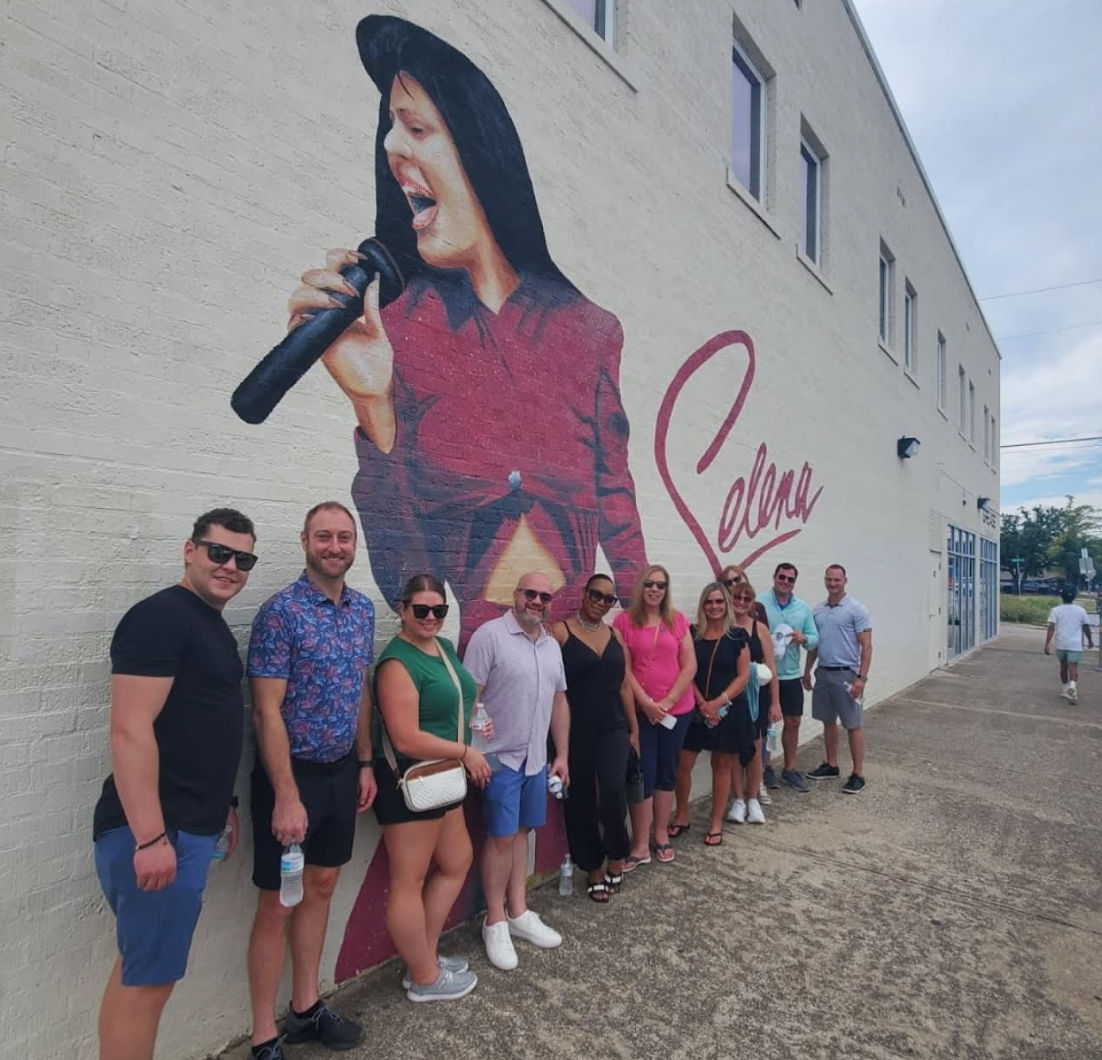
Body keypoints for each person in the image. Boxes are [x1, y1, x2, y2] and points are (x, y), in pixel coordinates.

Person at [280, 15, 646, 650]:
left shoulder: (589, 330)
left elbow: (615, 493)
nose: (395, 147)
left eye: (417, 126)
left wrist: (645, 625)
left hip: (568, 649)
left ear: (478, 147)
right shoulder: (396, 331)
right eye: (389, 128)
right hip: (463, 652)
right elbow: (403, 573)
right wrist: (374, 405)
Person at [92, 507, 257, 1060]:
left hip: (187, 827)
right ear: (190, 551)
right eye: (219, 552)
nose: (230, 565)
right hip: (157, 833)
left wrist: (223, 806)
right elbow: (129, 731)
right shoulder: (162, 617)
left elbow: (197, 727)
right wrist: (149, 837)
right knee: (148, 986)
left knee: (142, 971)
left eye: (243, 558)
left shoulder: (204, 623)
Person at [245, 503, 377, 1060]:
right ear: (304, 541)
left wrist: (366, 761)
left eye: (344, 537)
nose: (335, 546)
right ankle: (262, 1037)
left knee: (321, 888)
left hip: (341, 773)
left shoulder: (364, 610)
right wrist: (286, 796)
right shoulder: (281, 614)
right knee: (278, 902)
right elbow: (265, 712)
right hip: (290, 777)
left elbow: (359, 690)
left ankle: (304, 1010)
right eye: (324, 536)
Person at [373, 574, 490, 1001]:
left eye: (438, 610)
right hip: (413, 779)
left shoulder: (440, 647)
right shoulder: (397, 662)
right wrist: (465, 751)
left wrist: (474, 724)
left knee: (457, 860)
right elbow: (404, 737)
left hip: (443, 776)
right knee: (408, 880)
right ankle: (423, 978)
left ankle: (424, 955)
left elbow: (459, 697)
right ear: (402, 610)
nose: (430, 617)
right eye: (420, 609)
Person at [463, 572, 569, 970]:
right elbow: (468, 696)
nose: (537, 601)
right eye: (531, 593)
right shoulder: (490, 636)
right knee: (500, 839)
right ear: (516, 595)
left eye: (545, 596)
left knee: (523, 832)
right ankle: (494, 921)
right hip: (500, 759)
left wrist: (563, 754)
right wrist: (476, 750)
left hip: (537, 759)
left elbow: (560, 701)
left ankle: (518, 911)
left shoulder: (550, 645)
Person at [551, 574, 638, 902]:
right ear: (584, 594)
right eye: (596, 595)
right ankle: (594, 868)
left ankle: (617, 855)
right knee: (581, 800)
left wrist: (634, 729)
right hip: (575, 729)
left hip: (614, 726)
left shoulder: (615, 634)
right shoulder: (561, 632)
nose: (601, 602)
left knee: (614, 792)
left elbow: (625, 685)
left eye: (608, 599)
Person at [614, 565, 697, 867]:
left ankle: (660, 835)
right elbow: (623, 667)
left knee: (666, 772)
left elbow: (689, 666)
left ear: (666, 590)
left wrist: (667, 701)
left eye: (661, 585)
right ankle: (639, 844)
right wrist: (647, 704)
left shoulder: (677, 621)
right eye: (649, 584)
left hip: (677, 711)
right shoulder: (624, 621)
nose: (654, 590)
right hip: (640, 712)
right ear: (640, 586)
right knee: (642, 774)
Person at [671, 583, 751, 846]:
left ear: (726, 605)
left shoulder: (738, 636)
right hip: (695, 709)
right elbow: (685, 669)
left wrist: (718, 703)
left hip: (727, 709)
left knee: (722, 766)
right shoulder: (692, 634)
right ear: (703, 605)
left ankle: (716, 822)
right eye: (709, 602)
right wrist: (702, 703)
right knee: (682, 765)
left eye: (719, 602)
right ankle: (682, 815)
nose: (714, 607)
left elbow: (743, 676)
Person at [803, 565, 872, 794]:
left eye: (837, 580)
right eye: (829, 579)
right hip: (823, 673)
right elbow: (815, 645)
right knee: (828, 721)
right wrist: (807, 670)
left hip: (847, 675)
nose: (833, 583)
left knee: (853, 724)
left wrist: (861, 678)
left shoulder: (856, 609)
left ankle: (858, 773)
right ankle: (831, 765)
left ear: (845, 580)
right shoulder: (818, 610)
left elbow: (866, 646)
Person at [760, 563, 819, 792]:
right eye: (782, 577)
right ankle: (766, 768)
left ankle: (790, 769)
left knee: (793, 722)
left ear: (795, 582)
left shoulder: (803, 608)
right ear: (774, 577)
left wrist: (803, 638)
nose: (785, 582)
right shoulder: (760, 603)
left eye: (790, 579)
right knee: (766, 723)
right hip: (765, 675)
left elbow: (815, 639)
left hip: (791, 675)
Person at [726, 581, 781, 824]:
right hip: (732, 695)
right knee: (735, 750)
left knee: (756, 748)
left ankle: (753, 799)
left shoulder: (760, 630)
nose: (740, 603)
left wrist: (775, 703)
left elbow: (772, 668)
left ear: (752, 603)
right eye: (737, 597)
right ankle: (738, 799)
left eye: (746, 599)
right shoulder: (724, 627)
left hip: (758, 696)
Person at [1044, 585, 1093, 703]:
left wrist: (1047, 644)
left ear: (1062, 597)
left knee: (1063, 666)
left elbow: (1051, 628)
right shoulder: (1081, 610)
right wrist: (1090, 640)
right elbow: (1086, 627)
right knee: (1073, 667)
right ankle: (1073, 686)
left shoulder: (1056, 610)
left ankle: (1065, 689)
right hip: (1075, 644)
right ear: (1074, 597)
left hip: (1061, 643)